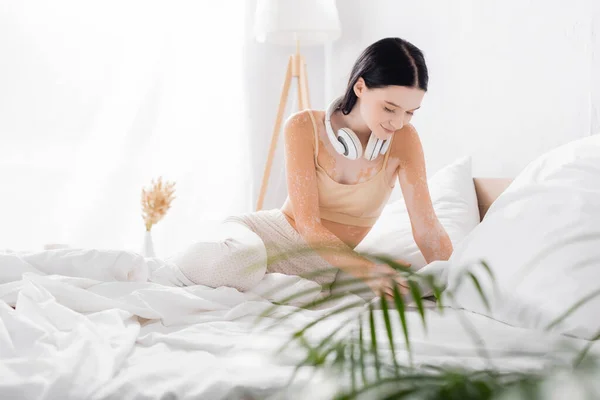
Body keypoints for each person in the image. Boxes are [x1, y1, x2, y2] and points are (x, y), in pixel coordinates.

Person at [164, 37, 453, 299]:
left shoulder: (404, 141)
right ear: (360, 87)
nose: (398, 122)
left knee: (305, 293)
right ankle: (178, 267)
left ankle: (258, 285)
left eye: (410, 112)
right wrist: (369, 271)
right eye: (390, 108)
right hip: (267, 238)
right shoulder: (303, 126)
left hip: (323, 267)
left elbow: (427, 229)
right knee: (239, 263)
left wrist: (457, 279)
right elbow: (308, 225)